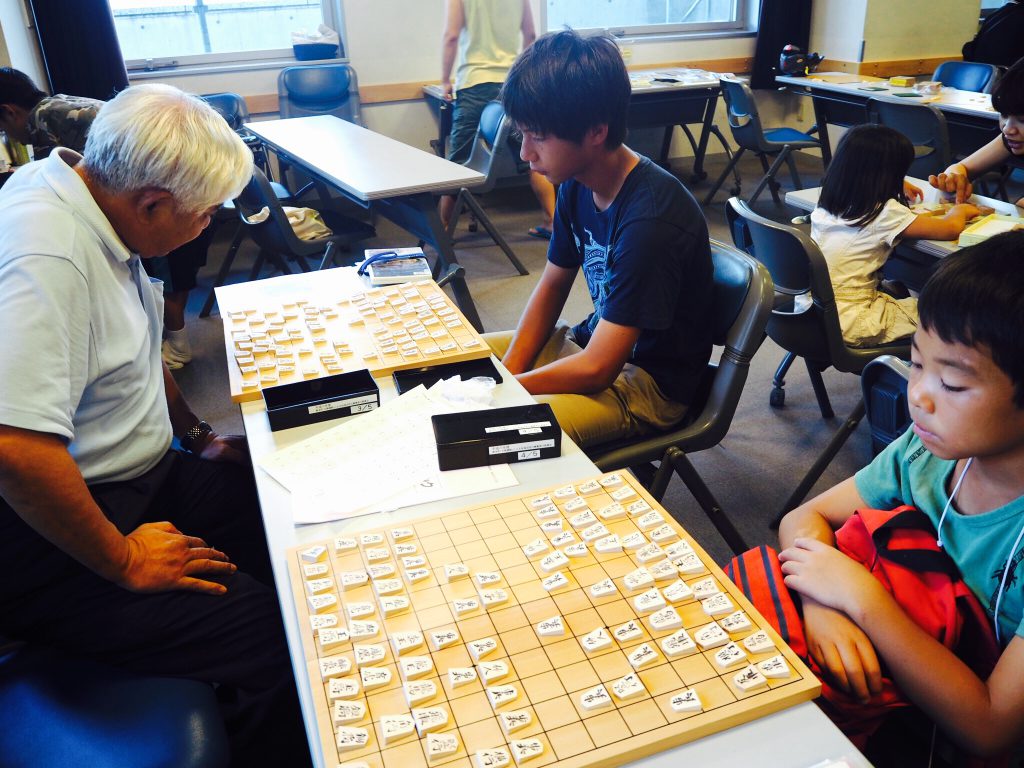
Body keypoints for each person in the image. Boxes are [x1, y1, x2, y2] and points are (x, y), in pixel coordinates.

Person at [0, 83, 310, 766]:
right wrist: (125, 560)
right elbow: (14, 449)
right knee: (286, 640)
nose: (207, 227)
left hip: (146, 472)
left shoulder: (87, 190)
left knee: (300, 528)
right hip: (50, 527)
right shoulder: (47, 253)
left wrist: (198, 436)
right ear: (152, 204)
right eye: (204, 217)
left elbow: (133, 345)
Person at [777, 231, 1024, 759]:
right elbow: (804, 517)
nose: (917, 396)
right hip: (894, 715)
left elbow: (991, 730)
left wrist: (863, 601)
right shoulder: (928, 452)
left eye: (953, 385)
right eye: (915, 363)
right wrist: (823, 604)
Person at [488, 29, 713, 449]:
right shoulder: (575, 179)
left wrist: (508, 392)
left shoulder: (650, 219)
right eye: (523, 135)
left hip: (649, 385)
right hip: (595, 347)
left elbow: (598, 370)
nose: (525, 154)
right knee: (467, 361)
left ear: (595, 131)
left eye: (538, 136)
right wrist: (508, 374)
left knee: (496, 433)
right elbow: (552, 284)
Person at [0, 66, 208, 369]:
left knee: (167, 273)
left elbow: (60, 180)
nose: (10, 137)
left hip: (168, 192)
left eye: (4, 130)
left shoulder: (40, 119)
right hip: (169, 186)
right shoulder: (60, 102)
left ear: (8, 112)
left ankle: (177, 347)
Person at [811, 124, 983, 347]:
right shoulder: (884, 213)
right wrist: (959, 210)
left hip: (817, 312)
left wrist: (895, 182)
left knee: (900, 290)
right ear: (885, 175)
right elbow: (949, 228)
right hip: (855, 320)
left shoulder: (828, 201)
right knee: (947, 313)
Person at [438, 0, 556, 238]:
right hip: (510, 83)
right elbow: (531, 34)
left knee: (456, 164)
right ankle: (553, 222)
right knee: (532, 157)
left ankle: (441, 231)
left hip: (474, 82)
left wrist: (444, 80)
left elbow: (451, 36)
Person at [929, 54, 1024, 207]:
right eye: (1004, 115)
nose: (1007, 129)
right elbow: (963, 167)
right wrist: (954, 177)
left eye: (1022, 120)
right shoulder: (1010, 138)